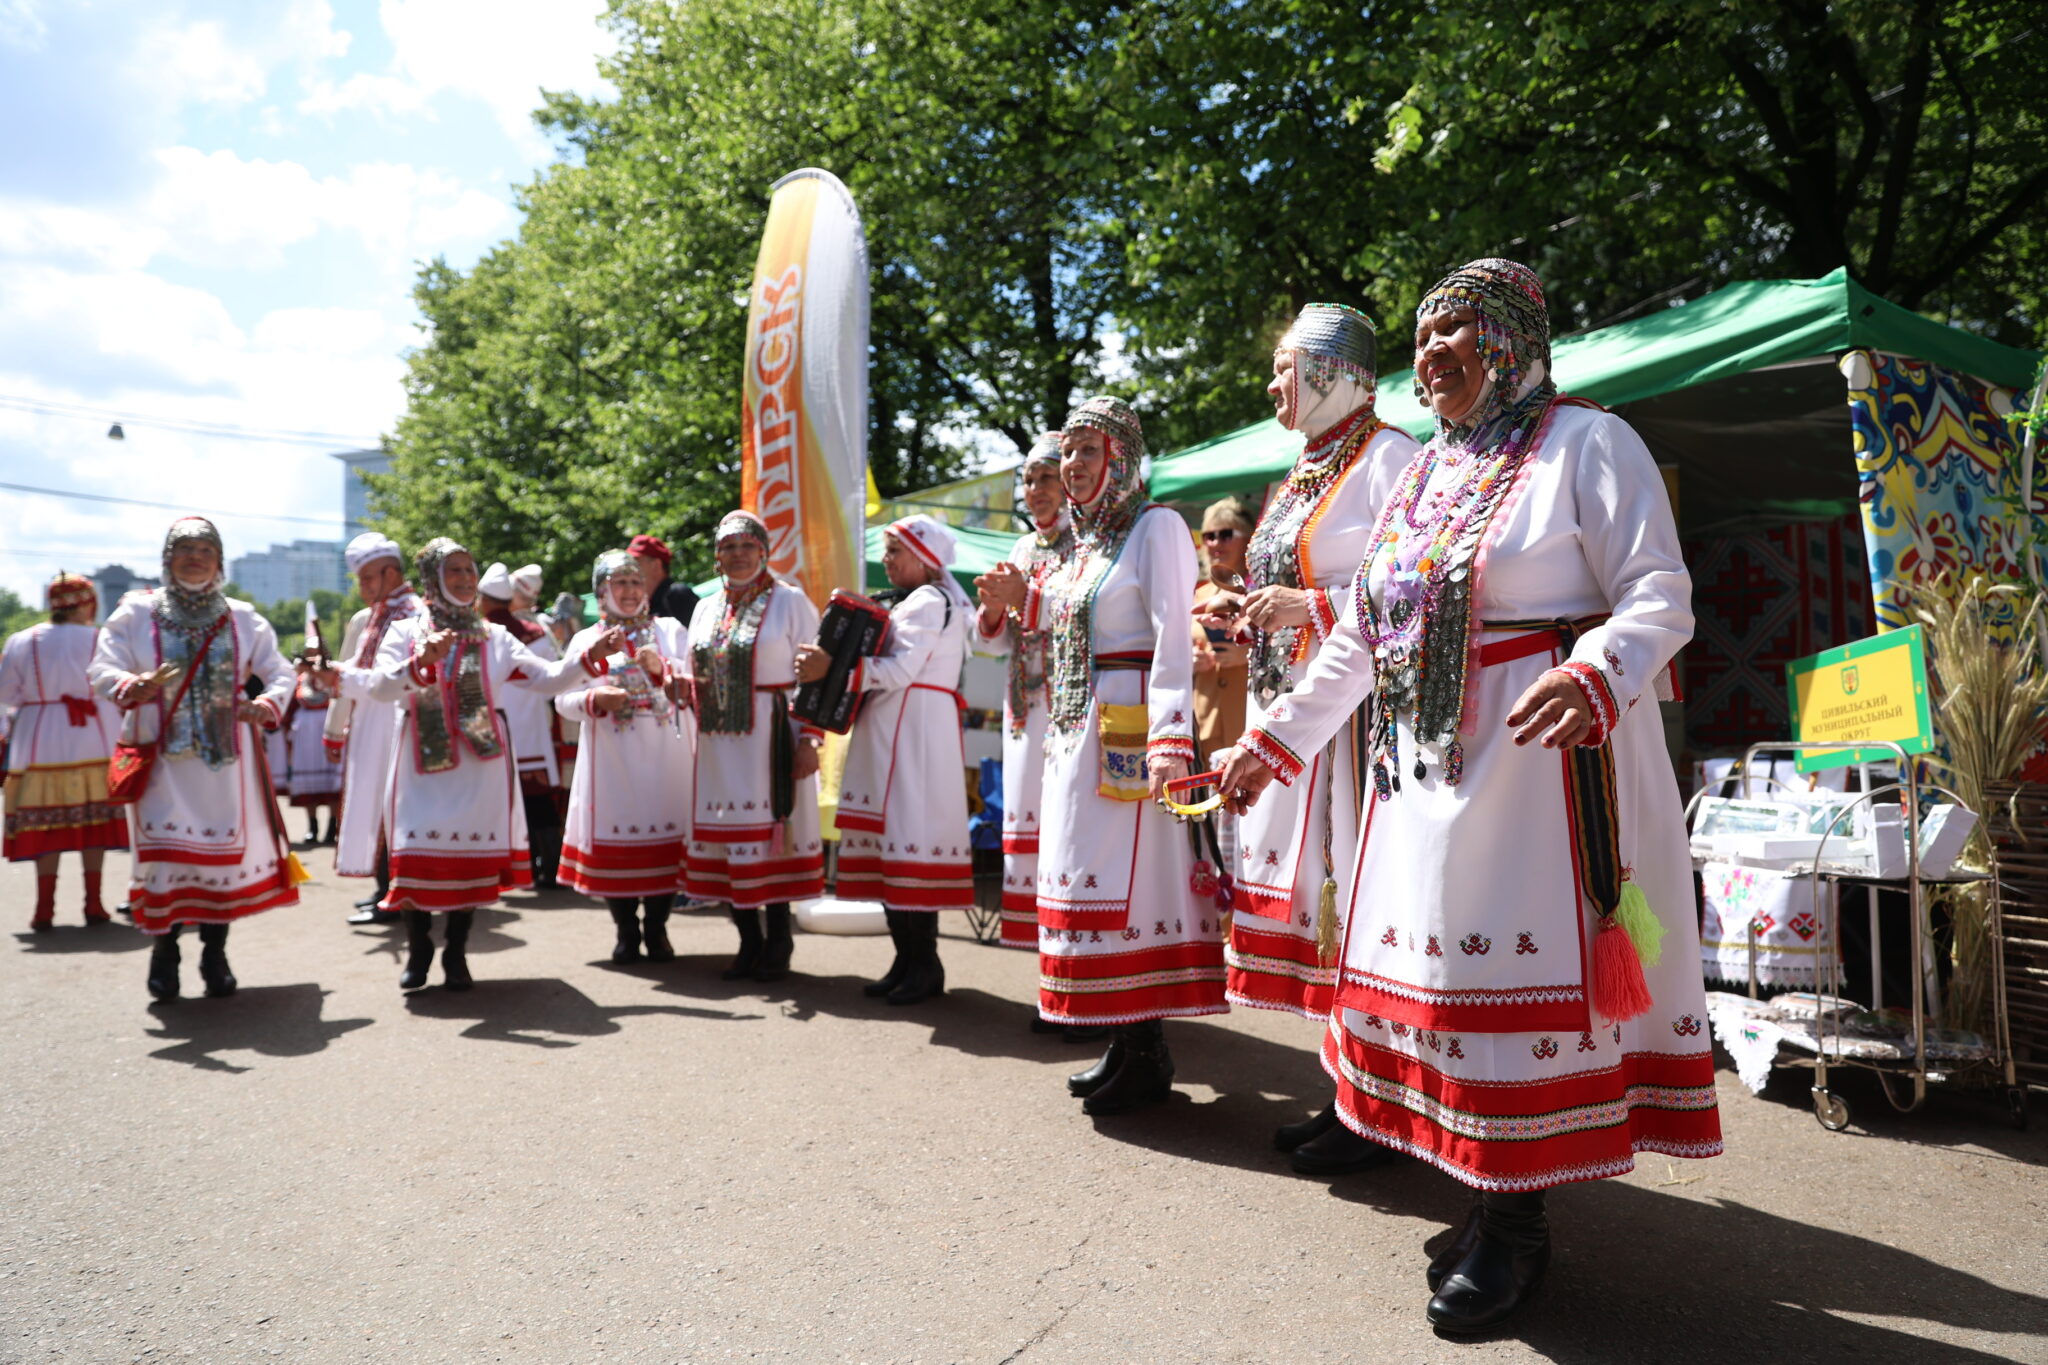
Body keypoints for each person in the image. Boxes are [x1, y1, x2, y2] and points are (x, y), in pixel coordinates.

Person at [1217, 259, 1722, 1332]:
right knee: (1443, 988)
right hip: (1424, 769)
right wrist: (1276, 740)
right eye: (1421, 336)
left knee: (1506, 995)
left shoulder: (1587, 442)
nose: (1431, 352)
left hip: (1535, 761)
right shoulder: (1426, 471)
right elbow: (1361, 631)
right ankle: (1483, 1192)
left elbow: (1657, 594)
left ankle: (1516, 1231)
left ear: (1512, 341)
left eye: (1456, 331)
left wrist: (1595, 670)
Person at [1195, 303, 1421, 1175]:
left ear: (1330, 371)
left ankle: (1377, 1105)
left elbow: (1410, 593)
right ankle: (1350, 1095)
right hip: (1300, 714)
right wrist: (1261, 619)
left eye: (1285, 366)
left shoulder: (1389, 458)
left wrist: (1315, 608)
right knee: (1329, 912)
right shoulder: (1301, 472)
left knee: (1357, 907)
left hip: (1360, 724)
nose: (1271, 383)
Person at [976, 397, 1225, 1114]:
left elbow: (1172, 634)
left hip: (1130, 730)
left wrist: (1171, 738)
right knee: (1090, 881)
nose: (1073, 466)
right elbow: (1064, 624)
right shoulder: (1086, 545)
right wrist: (1022, 601)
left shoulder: (1157, 528)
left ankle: (1147, 1049)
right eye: (1068, 452)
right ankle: (1125, 1040)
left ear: (1120, 458)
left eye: (1089, 450)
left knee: (1128, 884)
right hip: (1076, 732)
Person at [360, 538, 617, 992]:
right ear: (434, 579)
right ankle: (419, 947)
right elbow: (381, 689)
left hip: (479, 764)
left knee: (468, 856)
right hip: (421, 763)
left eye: (468, 570)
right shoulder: (405, 631)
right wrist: (420, 663)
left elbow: (547, 678)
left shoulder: (494, 637)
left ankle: (456, 952)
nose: (463, 579)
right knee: (416, 852)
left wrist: (589, 656)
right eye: (453, 570)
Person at [88, 519, 299, 1000]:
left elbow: (281, 673)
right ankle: (165, 952)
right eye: (184, 548)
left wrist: (264, 704)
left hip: (225, 766)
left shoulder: (243, 618)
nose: (195, 556)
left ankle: (214, 952)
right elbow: (101, 666)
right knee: (163, 863)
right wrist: (129, 685)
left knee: (218, 865)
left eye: (205, 548)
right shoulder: (135, 613)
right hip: (161, 764)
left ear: (219, 560)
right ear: (168, 557)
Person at [797, 514, 975, 1004]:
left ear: (924, 556)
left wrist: (834, 666)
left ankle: (924, 967)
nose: (887, 560)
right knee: (893, 846)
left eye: (896, 551)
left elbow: (902, 668)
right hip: (900, 726)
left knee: (907, 842)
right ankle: (908, 961)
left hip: (914, 732)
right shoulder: (917, 601)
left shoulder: (929, 600)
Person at [682, 511, 825, 981]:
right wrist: (677, 685)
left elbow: (816, 678)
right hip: (718, 743)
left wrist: (810, 739)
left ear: (764, 550)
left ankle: (779, 941)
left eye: (746, 545)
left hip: (770, 737)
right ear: (717, 556)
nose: (737, 554)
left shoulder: (790, 602)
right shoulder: (705, 607)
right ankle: (748, 941)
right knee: (727, 844)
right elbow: (692, 671)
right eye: (727, 546)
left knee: (770, 840)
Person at [556, 551, 694, 962]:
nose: (631, 592)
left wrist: (664, 669)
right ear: (602, 592)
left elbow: (695, 682)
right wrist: (595, 698)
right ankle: (626, 930)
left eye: (636, 583)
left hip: (666, 755)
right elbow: (562, 699)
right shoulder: (587, 639)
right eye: (620, 584)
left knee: (664, 841)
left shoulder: (669, 630)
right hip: (611, 761)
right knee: (617, 844)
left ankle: (657, 928)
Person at [971, 434, 1074, 956]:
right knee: (1028, 818)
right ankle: (1045, 965)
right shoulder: (1021, 547)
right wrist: (992, 610)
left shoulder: (1085, 541)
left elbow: (1085, 614)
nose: (1035, 489)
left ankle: (1072, 961)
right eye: (1029, 479)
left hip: (1068, 706)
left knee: (1066, 826)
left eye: (1046, 477)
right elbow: (994, 637)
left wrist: (1026, 598)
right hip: (1023, 710)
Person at [0, 572, 127, 929]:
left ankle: (44, 909)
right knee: (94, 820)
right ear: (87, 603)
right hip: (94, 736)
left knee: (47, 823)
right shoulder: (101, 639)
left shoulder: (22, 640)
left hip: (40, 739)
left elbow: (6, 693)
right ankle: (94, 903)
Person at [324, 532, 421, 925]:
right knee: (375, 809)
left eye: (369, 578)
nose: (363, 587)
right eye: (360, 579)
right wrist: (336, 727)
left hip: (398, 722)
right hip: (369, 723)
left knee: (397, 808)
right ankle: (385, 890)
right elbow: (350, 670)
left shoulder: (417, 613)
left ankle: (401, 893)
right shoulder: (370, 617)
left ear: (392, 572)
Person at [481, 561, 567, 889]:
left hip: (493, 729)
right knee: (538, 801)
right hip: (532, 730)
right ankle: (548, 867)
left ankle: (519, 867)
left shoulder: (482, 633)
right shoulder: (537, 634)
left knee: (502, 801)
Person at [1190, 497, 1253, 761]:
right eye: (1209, 536)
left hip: (1251, 720)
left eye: (1226, 535)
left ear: (1247, 539)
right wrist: (1189, 661)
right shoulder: (1196, 594)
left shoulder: (1262, 590)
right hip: (1206, 723)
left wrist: (1246, 657)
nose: (1216, 543)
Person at [284, 658, 342, 845]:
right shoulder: (300, 682)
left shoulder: (335, 679)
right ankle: (312, 827)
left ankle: (332, 827)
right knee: (308, 781)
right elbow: (289, 708)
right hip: (305, 737)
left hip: (328, 728)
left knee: (331, 780)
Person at [628, 534, 698, 623]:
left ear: (656, 565)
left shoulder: (677, 595)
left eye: (635, 562)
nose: (629, 568)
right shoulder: (644, 606)